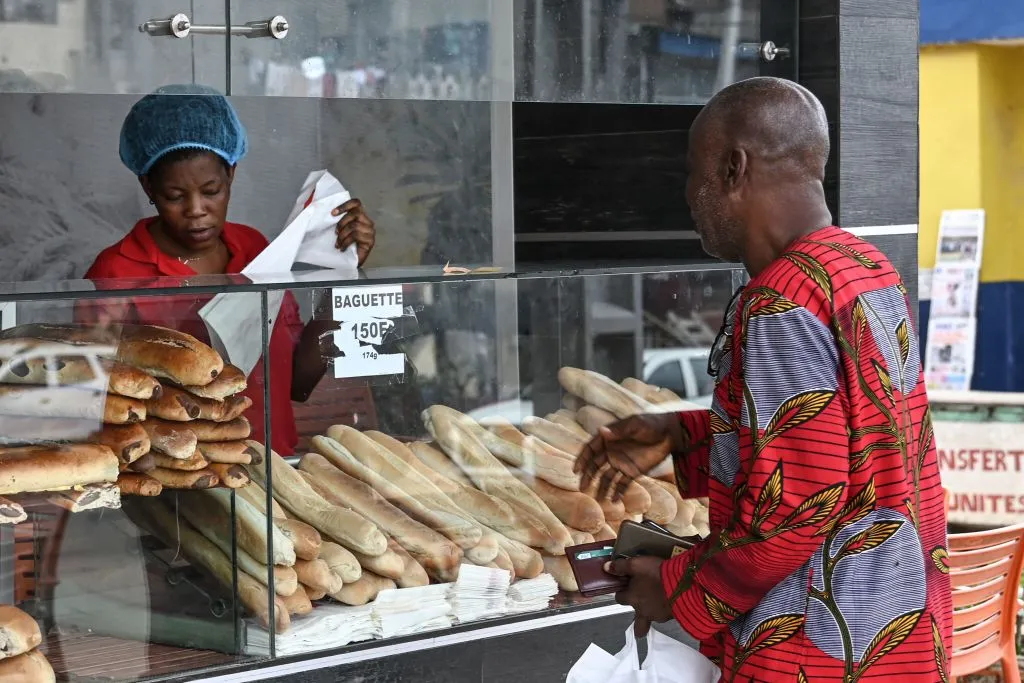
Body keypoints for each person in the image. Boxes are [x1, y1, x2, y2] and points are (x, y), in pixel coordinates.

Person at [576, 78, 952, 681]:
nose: (689, 195)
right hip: (898, 633)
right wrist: (685, 434)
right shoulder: (864, 267)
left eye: (693, 174)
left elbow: (798, 508)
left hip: (816, 652)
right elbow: (848, 439)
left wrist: (677, 589)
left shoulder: (779, 302)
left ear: (732, 168)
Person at [78, 85, 376, 455]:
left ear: (231, 176)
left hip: (270, 469)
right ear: (148, 186)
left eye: (211, 190)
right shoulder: (117, 272)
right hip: (177, 482)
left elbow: (297, 382)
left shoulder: (255, 251)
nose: (196, 209)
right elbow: (96, 405)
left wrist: (345, 274)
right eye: (175, 196)